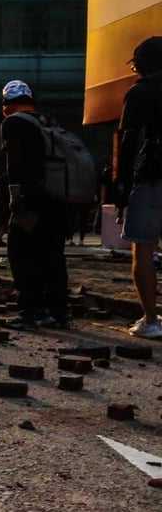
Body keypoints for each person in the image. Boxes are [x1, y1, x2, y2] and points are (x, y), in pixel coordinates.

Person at [0, 79, 71, 330]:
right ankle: (59, 312)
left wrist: (15, 199)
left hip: (32, 199)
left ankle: (31, 310)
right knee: (53, 255)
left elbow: (15, 164)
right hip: (58, 199)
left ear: (6, 105)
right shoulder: (48, 122)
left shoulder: (14, 123)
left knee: (20, 253)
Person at [114, 36, 162, 339]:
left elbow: (128, 140)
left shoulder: (141, 92)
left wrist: (121, 182)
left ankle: (151, 320)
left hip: (153, 176)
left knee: (143, 249)